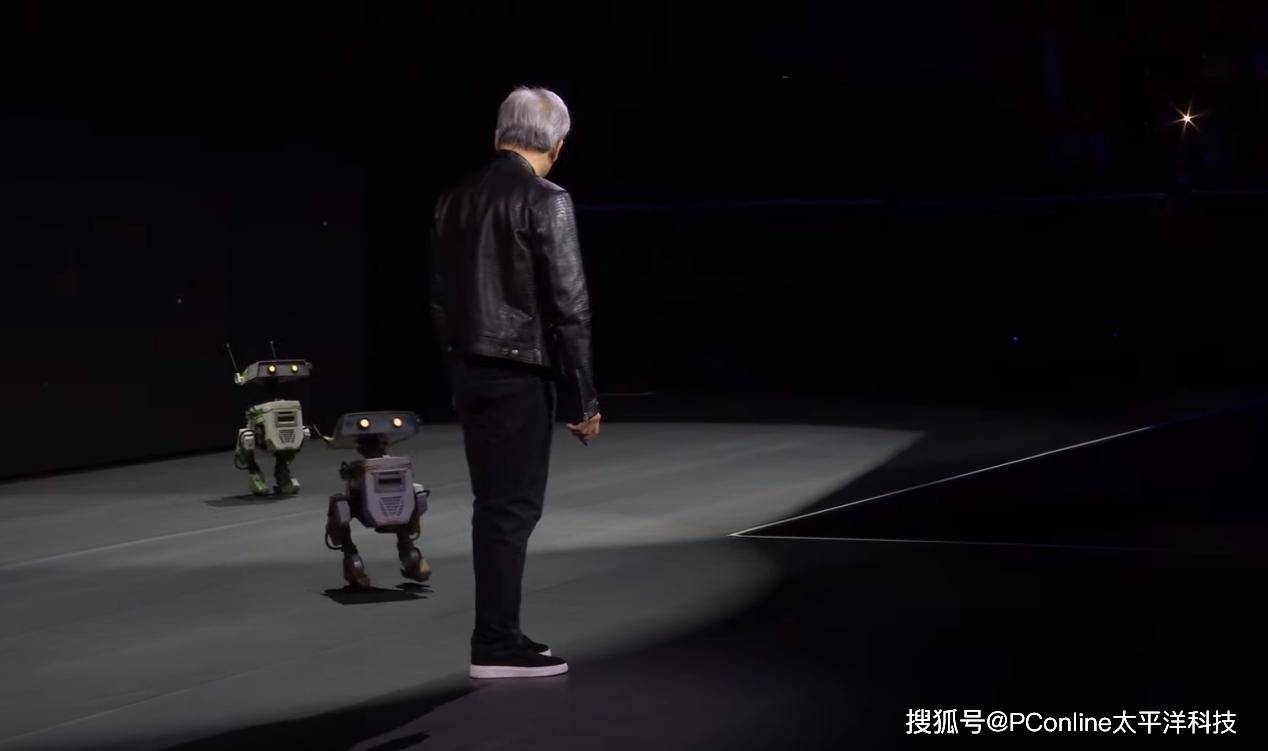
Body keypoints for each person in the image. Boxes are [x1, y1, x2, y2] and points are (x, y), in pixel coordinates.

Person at [430, 87, 602, 679]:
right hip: (518, 373)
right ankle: (496, 643)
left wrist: (457, 370)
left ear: (500, 133)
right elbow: (570, 306)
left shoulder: (453, 200)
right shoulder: (547, 199)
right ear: (557, 143)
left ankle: (497, 635)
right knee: (512, 510)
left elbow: (439, 300)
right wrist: (584, 398)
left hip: (469, 370)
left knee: (494, 508)